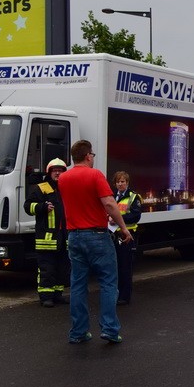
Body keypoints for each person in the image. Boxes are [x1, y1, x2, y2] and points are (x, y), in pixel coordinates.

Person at [56, 141, 132, 344]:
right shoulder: (95, 175)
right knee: (108, 282)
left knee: (78, 284)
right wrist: (123, 228)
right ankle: (109, 329)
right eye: (93, 155)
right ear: (88, 156)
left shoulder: (63, 178)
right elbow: (109, 203)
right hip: (97, 236)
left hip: (74, 236)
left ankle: (78, 332)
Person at [24, 158, 70, 307]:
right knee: (47, 269)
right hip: (46, 238)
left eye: (60, 171)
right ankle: (45, 297)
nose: (57, 173)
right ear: (49, 173)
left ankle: (57, 295)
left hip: (64, 237)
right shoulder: (42, 188)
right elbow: (27, 206)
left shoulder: (67, 188)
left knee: (62, 268)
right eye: (55, 171)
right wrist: (42, 207)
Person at [110, 171, 142, 306]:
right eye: (118, 181)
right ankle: (115, 294)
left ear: (127, 183)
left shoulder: (134, 197)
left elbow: (136, 216)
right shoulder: (112, 197)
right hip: (113, 235)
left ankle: (124, 296)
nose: (120, 184)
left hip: (127, 235)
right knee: (114, 266)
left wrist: (117, 219)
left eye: (122, 181)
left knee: (125, 266)